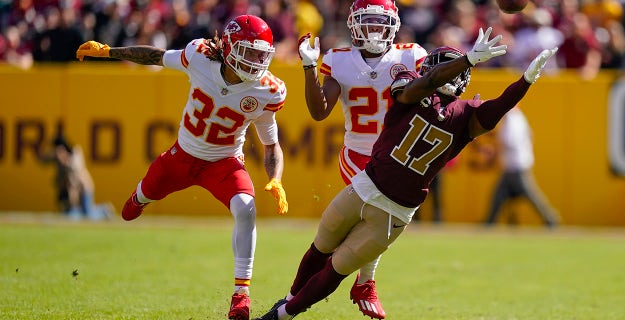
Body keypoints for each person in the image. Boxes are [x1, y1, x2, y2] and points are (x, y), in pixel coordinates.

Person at [254, 27, 557, 319]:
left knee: (337, 266)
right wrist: (468, 61)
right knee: (321, 248)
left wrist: (525, 81)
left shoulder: (465, 115)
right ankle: (294, 300)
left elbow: (499, 107)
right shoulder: (413, 87)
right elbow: (429, 84)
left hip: (394, 209)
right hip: (366, 184)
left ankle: (284, 313)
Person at [76, 15, 289, 320]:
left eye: (262, 54)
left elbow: (271, 145)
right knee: (137, 202)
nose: (257, 61)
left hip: (224, 162)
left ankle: (241, 295)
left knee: (246, 208)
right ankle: (140, 198)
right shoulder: (199, 56)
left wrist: (276, 179)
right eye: (250, 52)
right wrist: (110, 52)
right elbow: (156, 56)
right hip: (181, 157)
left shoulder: (268, 90)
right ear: (229, 47)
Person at [296, 0, 427, 317]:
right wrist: (308, 68)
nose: (373, 29)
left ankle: (356, 280)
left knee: (379, 224)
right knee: (375, 218)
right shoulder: (339, 59)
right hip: (358, 153)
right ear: (353, 24)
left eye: (378, 21)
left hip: (396, 154)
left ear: (393, 23)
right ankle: (364, 282)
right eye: (365, 21)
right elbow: (319, 112)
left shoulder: (411, 54)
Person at [484, 107, 561, 228]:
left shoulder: (513, 118)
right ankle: (489, 222)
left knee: (531, 195)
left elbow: (509, 141)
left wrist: (494, 149)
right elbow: (530, 135)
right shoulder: (517, 117)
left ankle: (551, 219)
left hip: (517, 166)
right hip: (514, 165)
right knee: (498, 196)